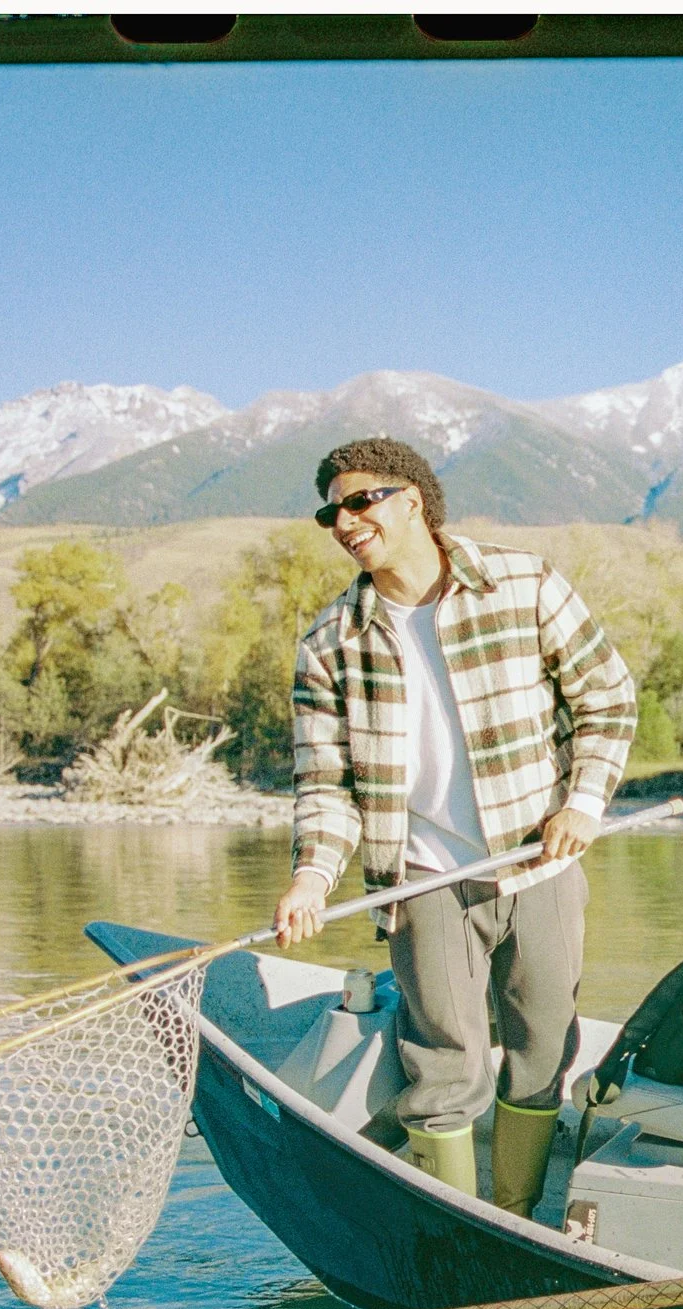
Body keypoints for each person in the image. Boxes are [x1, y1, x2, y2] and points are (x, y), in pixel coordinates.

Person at [271, 438, 637, 1220]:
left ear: (413, 500)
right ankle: (457, 1229)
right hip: (422, 880)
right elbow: (325, 786)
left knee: (542, 1053)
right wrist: (311, 877)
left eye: (360, 501)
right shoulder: (329, 644)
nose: (343, 521)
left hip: (539, 866)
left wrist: (583, 804)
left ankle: (517, 1213)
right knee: (444, 1065)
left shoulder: (524, 583)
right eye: (330, 511)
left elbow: (608, 700)